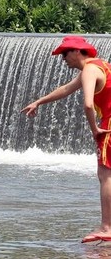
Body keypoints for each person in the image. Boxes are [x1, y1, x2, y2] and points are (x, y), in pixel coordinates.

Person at [21, 36, 111, 242]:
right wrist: (39, 102)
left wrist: (95, 129)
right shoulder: (101, 66)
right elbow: (66, 89)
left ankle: (107, 228)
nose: (62, 58)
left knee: (105, 174)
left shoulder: (88, 71)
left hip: (109, 125)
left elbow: (88, 104)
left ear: (78, 52)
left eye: (65, 53)